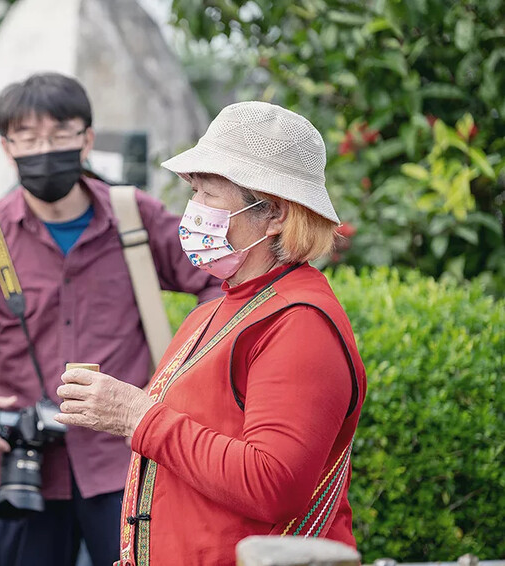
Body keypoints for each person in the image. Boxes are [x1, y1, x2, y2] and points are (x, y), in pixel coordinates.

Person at [0, 72, 219, 566]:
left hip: (126, 456)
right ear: (6, 146)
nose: (45, 149)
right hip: (23, 461)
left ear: (87, 139)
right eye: (28, 137)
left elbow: (215, 281)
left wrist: (179, 380)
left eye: (60, 135)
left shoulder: (132, 215)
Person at [55, 101, 368, 566]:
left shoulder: (300, 323)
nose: (193, 211)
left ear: (276, 213)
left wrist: (137, 416)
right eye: (194, 193)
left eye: (209, 195)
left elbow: (272, 484)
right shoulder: (218, 310)